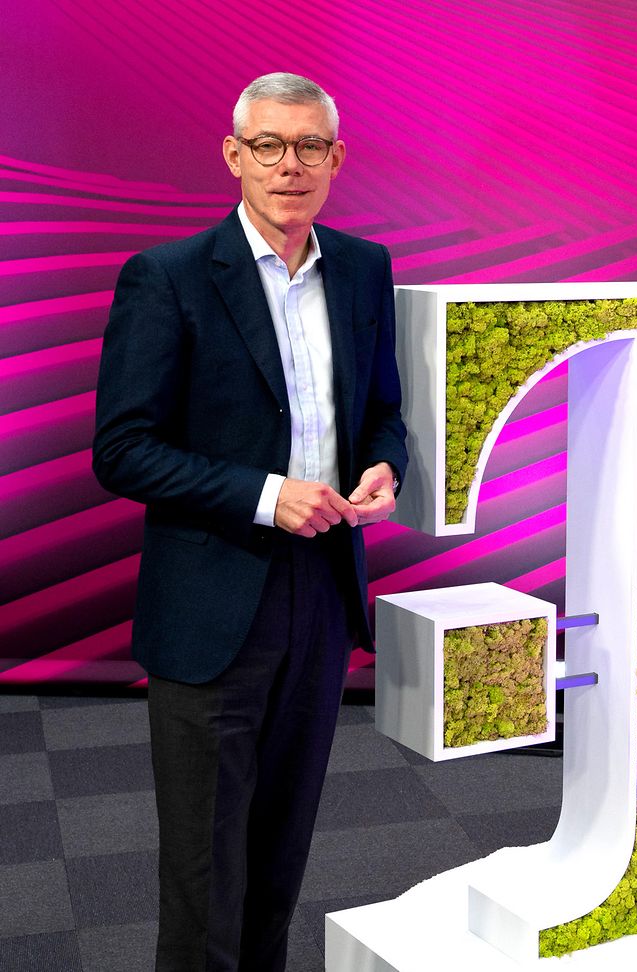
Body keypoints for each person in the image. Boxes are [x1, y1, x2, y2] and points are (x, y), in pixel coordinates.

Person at [92, 72, 407, 970]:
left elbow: (383, 409)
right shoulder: (168, 278)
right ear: (235, 156)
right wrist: (269, 495)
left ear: (337, 158)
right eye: (268, 145)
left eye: (309, 146)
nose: (288, 165)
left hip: (323, 592)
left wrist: (387, 464)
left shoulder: (364, 268)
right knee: (205, 874)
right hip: (213, 599)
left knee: (278, 856)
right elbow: (122, 450)